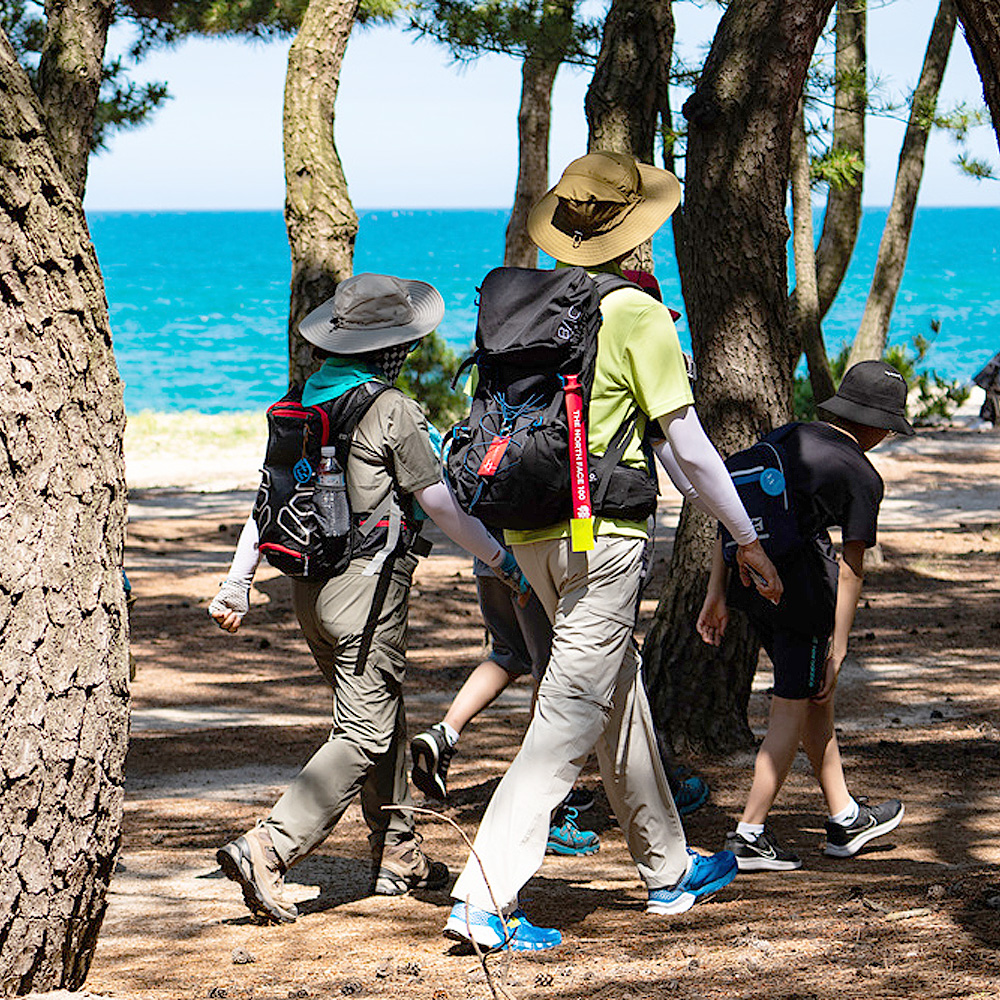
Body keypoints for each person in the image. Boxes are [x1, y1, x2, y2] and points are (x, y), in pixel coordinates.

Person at [442, 151, 783, 952]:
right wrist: (747, 536)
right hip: (603, 540)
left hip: (530, 533)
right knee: (568, 715)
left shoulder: (526, 310)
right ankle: (483, 897)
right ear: (637, 235)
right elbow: (690, 448)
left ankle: (667, 868)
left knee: (613, 688)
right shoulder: (634, 314)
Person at [208, 273, 532, 923]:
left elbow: (267, 505)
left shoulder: (302, 399)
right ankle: (268, 847)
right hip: (366, 593)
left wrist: (238, 582)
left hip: (308, 592)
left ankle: (400, 854)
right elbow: (441, 507)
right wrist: (503, 563)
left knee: (383, 716)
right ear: (390, 346)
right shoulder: (393, 409)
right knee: (362, 730)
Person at [697, 361, 912, 871]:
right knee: (794, 702)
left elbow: (733, 514)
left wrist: (717, 592)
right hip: (803, 596)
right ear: (879, 425)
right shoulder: (862, 474)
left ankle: (845, 817)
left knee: (812, 695)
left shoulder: (788, 435)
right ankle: (750, 834)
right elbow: (854, 564)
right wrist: (839, 646)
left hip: (752, 586)